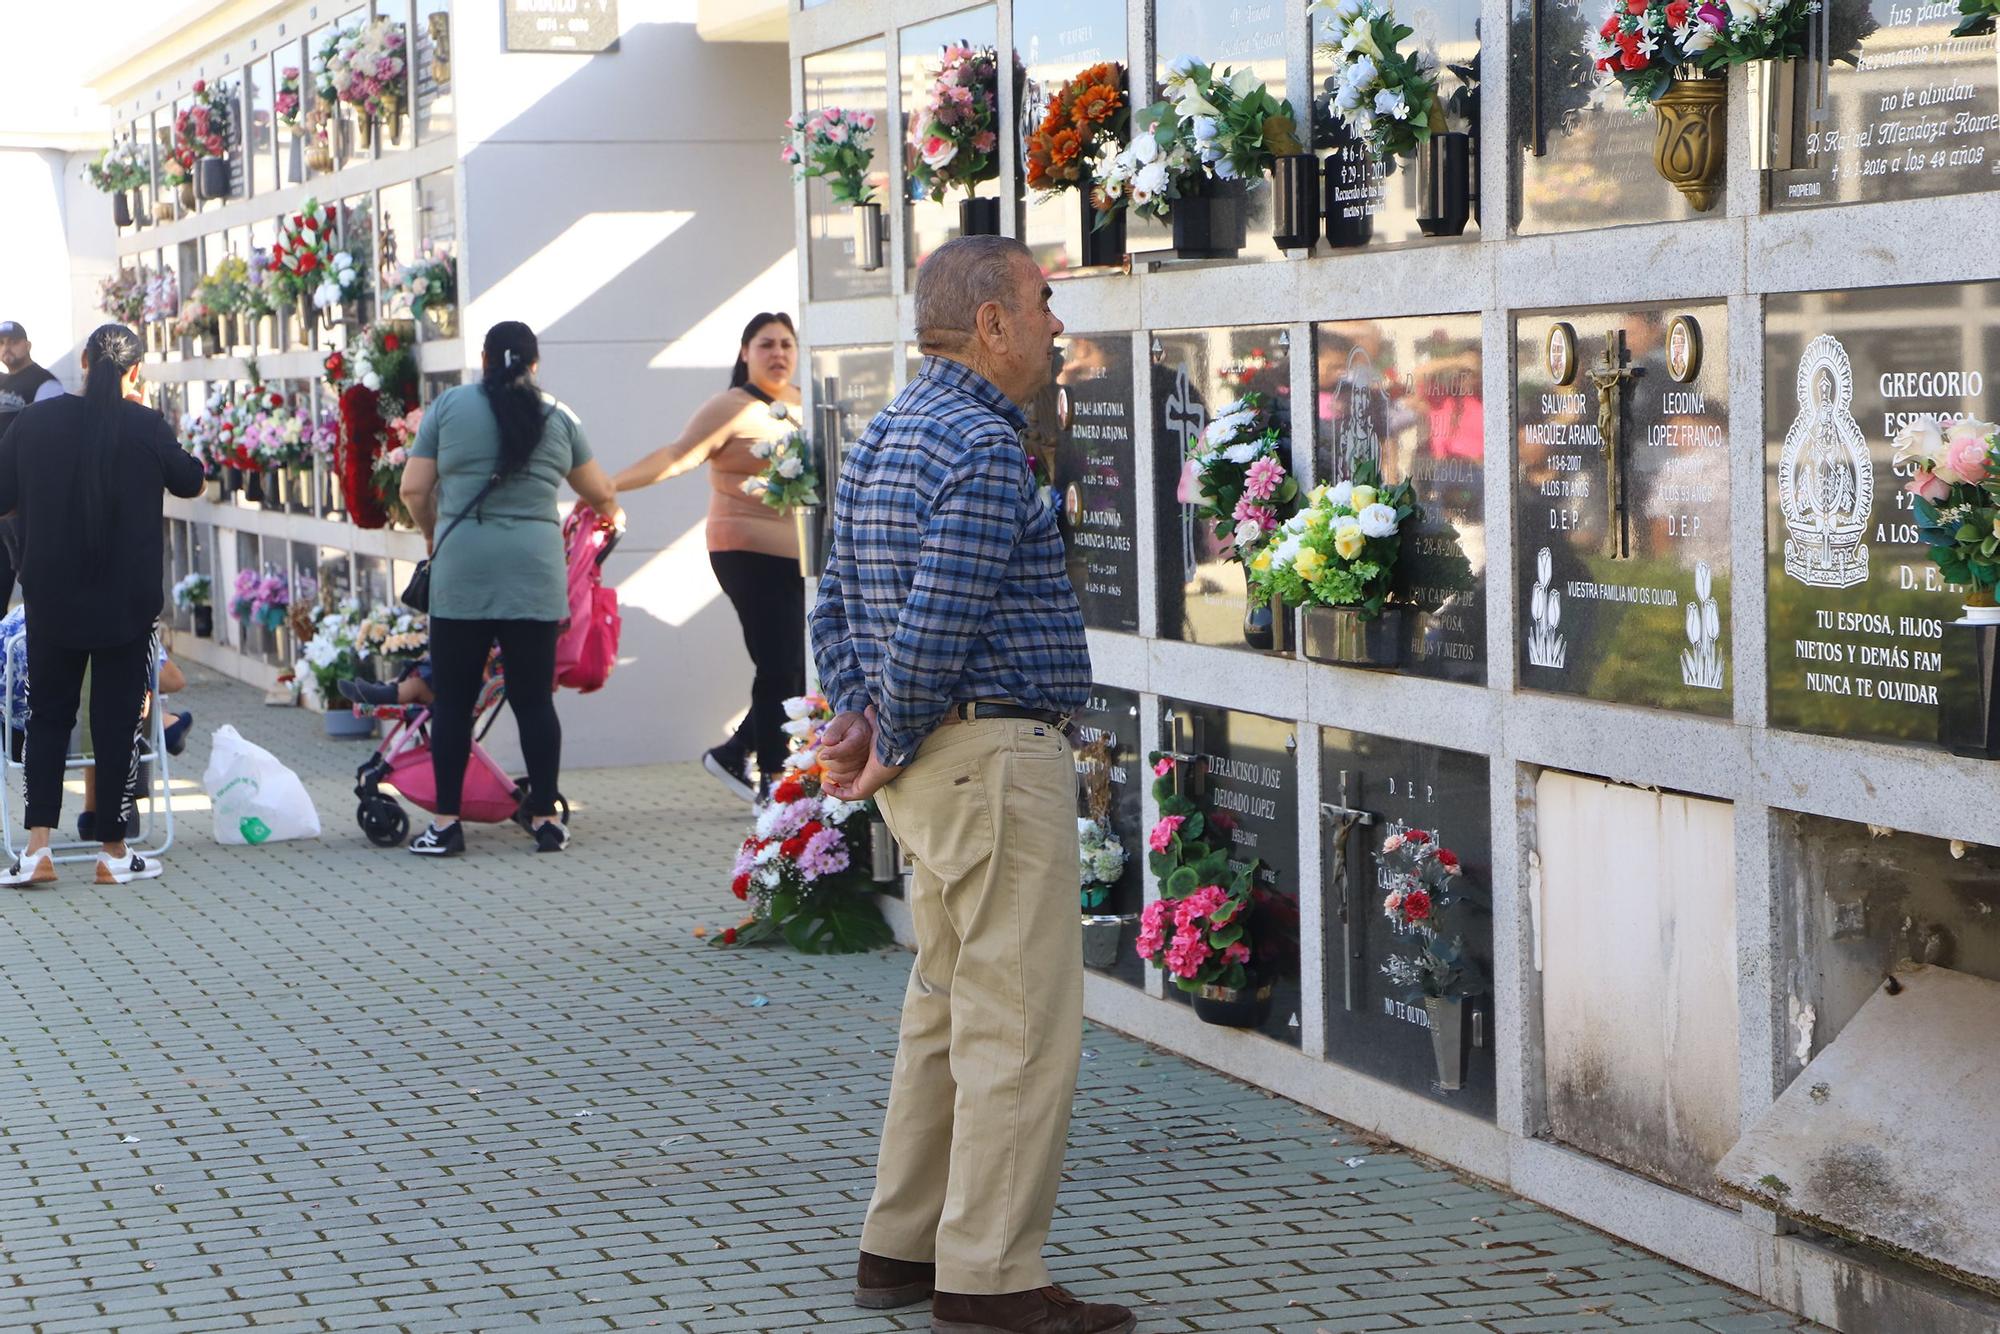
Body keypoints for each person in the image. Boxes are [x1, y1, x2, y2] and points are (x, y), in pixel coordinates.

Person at [808, 237, 1130, 1334]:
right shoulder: (984, 446)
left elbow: (830, 600)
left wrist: (859, 718)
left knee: (945, 1009)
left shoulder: (883, 433)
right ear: (989, 321)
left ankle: (898, 1246)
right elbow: (939, 614)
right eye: (1043, 304)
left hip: (932, 769)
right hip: (988, 759)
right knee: (1021, 1021)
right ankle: (989, 1274)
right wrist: (886, 731)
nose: (1055, 326)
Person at [399, 321, 622, 856]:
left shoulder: (449, 407)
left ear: (482, 358)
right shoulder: (558, 415)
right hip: (533, 575)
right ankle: (545, 818)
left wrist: (434, 535)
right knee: (532, 700)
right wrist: (612, 517)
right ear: (535, 363)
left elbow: (413, 488)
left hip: (463, 572)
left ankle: (447, 825)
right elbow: (601, 492)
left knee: (452, 701)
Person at [0, 323, 203, 887]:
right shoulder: (146, 426)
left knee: (48, 719)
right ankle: (113, 852)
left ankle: (37, 850)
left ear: (84, 361)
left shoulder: (35, 422)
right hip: (126, 603)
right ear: (135, 372)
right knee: (116, 722)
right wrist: (145, 417)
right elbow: (192, 480)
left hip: (52, 597)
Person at [611, 312, 803, 802]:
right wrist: (607, 488)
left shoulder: (804, 403)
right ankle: (775, 781)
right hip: (746, 551)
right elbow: (677, 455)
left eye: (786, 344)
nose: (778, 353)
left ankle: (733, 752)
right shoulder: (730, 406)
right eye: (766, 344)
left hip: (800, 558)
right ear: (745, 353)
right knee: (779, 664)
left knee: (794, 666)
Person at [0, 320, 65, 610]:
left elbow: (50, 443)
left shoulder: (45, 383)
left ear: (27, 345)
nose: (6, 348)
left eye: (13, 341)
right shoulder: (1, 382)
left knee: (35, 584)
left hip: (25, 501)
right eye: (1, 343)